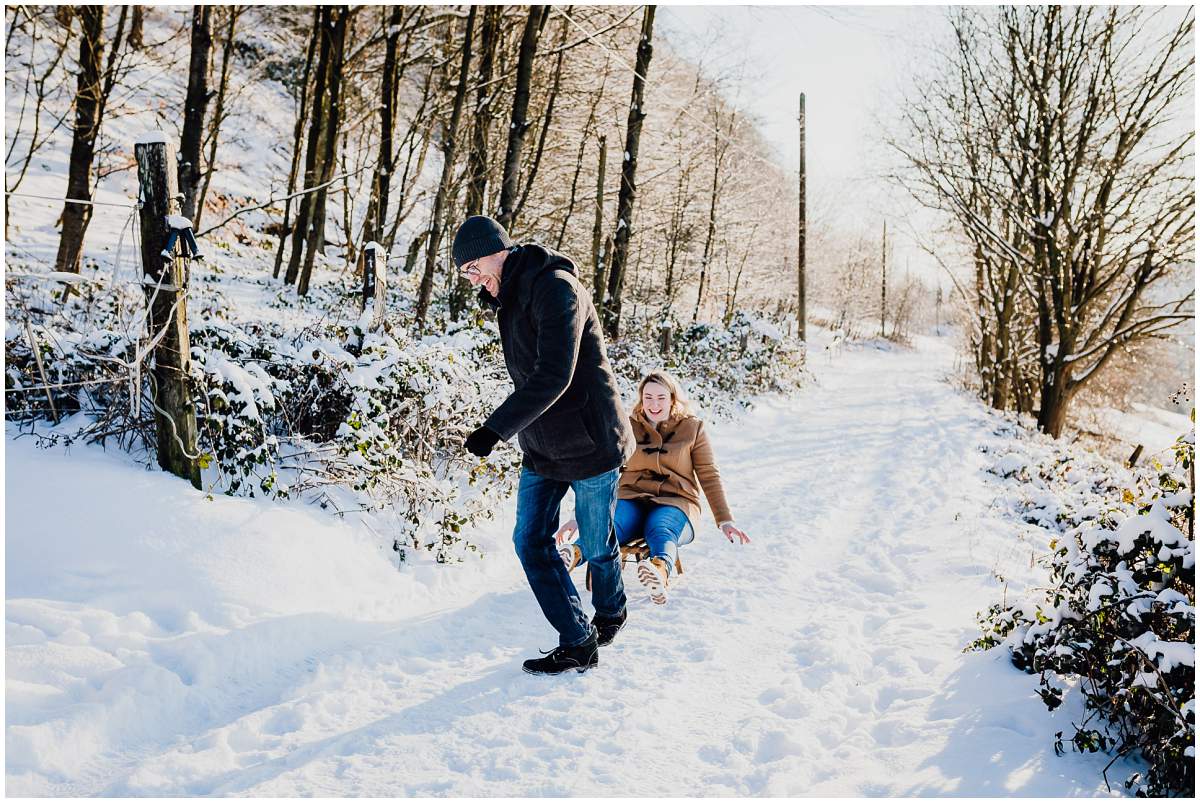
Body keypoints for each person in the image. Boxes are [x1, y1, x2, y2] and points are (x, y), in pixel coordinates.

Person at [454, 215, 635, 676]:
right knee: (530, 542)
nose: (472, 280)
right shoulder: (509, 296)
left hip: (591, 441)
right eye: (466, 274)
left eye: (473, 268)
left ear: (498, 251)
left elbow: (554, 374)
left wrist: (494, 429)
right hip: (542, 446)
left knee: (596, 545)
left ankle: (611, 608)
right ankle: (578, 639)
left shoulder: (557, 288)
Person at [555, 370, 750, 604]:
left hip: (676, 501)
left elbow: (709, 475)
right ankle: (572, 554)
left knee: (661, 528)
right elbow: (604, 472)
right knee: (611, 523)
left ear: (672, 399)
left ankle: (658, 571)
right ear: (641, 398)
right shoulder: (627, 426)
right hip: (630, 496)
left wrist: (725, 521)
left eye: (660, 397)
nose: (654, 404)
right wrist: (579, 517)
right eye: (648, 397)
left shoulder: (693, 428)